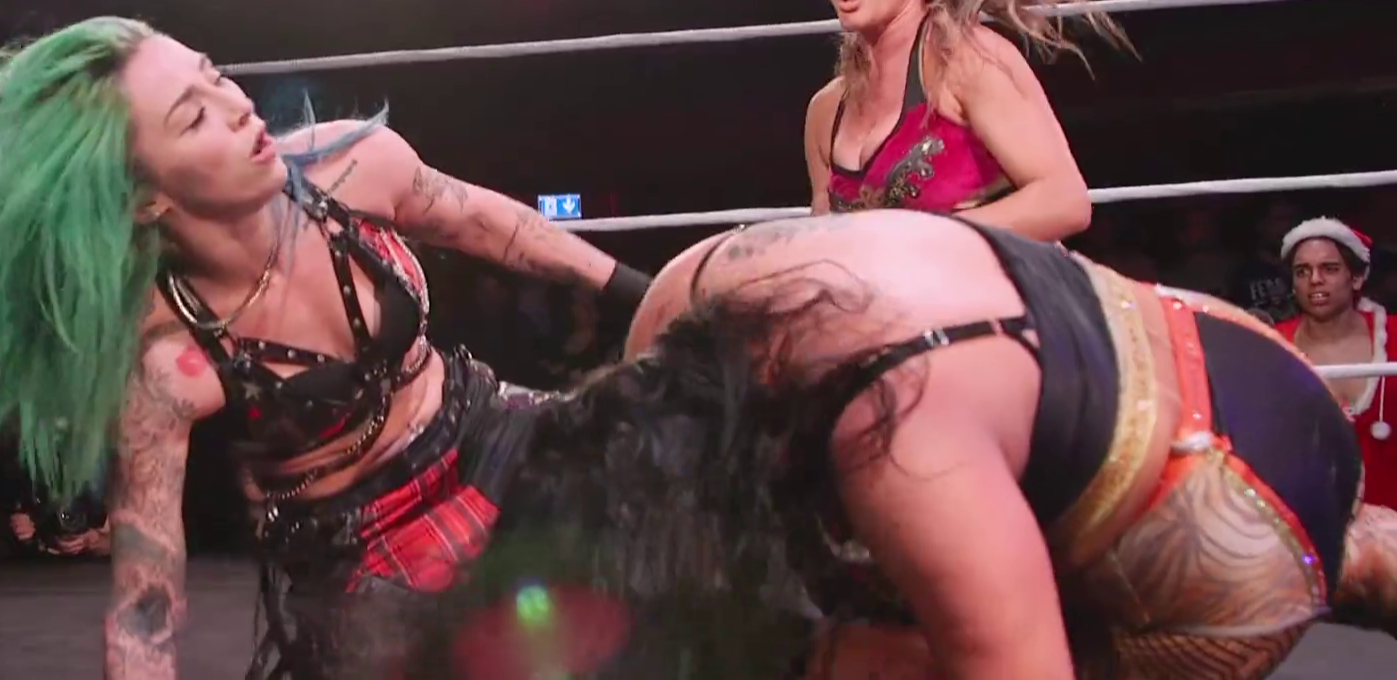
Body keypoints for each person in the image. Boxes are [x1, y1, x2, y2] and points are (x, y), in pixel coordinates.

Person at [0, 17, 652, 680]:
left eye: (215, 75)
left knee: (669, 494)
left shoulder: (356, 164)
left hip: (488, 431)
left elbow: (493, 225)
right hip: (366, 546)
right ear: (146, 199)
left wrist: (650, 295)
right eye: (194, 115)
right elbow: (146, 598)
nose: (238, 106)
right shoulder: (168, 360)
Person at [386, 210, 1397, 680]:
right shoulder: (691, 290)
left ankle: (1359, 565)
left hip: (1237, 530)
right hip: (1222, 349)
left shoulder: (897, 437)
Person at [796, 0, 1130, 241]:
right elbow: (825, 244)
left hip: (988, 275)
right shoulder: (825, 113)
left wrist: (923, 241)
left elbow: (1064, 200)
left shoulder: (966, 62)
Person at [1275, 217, 1394, 509]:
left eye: (1329, 268)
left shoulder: (1394, 336)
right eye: (1302, 271)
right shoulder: (1272, 345)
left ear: (1357, 278)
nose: (1315, 280)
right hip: (1311, 523)